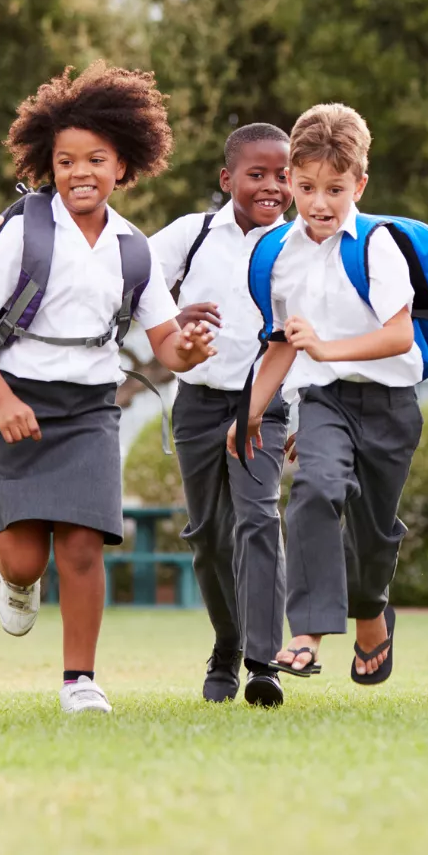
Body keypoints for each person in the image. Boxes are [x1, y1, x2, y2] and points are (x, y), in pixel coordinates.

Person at [0, 63, 217, 715]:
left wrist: (188, 346)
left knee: (81, 544)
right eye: (66, 160)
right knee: (22, 556)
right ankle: (17, 584)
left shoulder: (135, 249)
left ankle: (80, 681)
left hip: (90, 408)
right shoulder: (26, 231)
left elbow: (164, 344)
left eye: (96, 159)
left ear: (123, 166)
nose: (80, 172)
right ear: (49, 166)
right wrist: (4, 400)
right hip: (18, 400)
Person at [232, 103, 428, 686]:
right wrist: (248, 412)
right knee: (316, 489)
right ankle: (309, 632)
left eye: (335, 189)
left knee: (374, 536)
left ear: (359, 184)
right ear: (290, 177)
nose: (319, 203)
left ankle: (370, 612)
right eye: (308, 186)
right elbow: (282, 344)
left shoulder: (377, 246)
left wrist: (326, 347)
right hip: (324, 401)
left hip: (391, 406)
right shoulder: (277, 255)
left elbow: (399, 337)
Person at [148, 122, 295, 706]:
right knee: (209, 538)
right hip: (197, 404)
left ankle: (264, 663)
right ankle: (227, 646)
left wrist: (299, 412)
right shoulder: (193, 232)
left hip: (265, 405)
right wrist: (174, 316)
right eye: (256, 175)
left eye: (283, 176)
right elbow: (136, 285)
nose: (271, 187)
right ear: (226, 177)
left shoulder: (300, 245)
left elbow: (306, 337)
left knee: (259, 522)